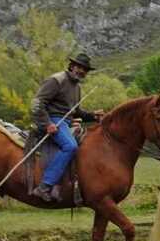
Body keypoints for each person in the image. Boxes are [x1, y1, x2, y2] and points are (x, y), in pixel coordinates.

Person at [28, 53, 104, 201]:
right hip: (54, 121)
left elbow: (75, 112)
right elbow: (37, 104)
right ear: (72, 66)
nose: (82, 71)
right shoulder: (57, 80)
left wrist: (93, 115)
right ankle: (44, 186)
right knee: (70, 146)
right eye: (80, 67)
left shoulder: (77, 87)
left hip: (66, 122)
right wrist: (47, 123)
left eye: (85, 70)